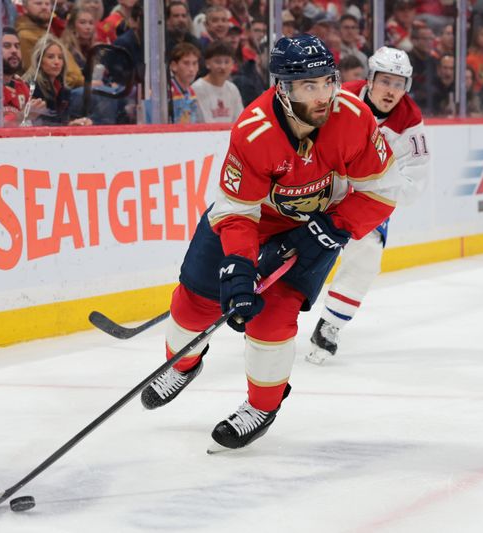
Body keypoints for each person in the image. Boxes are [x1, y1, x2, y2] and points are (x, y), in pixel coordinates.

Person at [139, 34, 399, 450]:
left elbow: (383, 191)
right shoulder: (254, 130)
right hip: (250, 221)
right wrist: (239, 267)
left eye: (328, 81)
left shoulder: (354, 118)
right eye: (308, 86)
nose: (323, 95)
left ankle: (262, 407)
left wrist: (332, 228)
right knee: (193, 303)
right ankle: (182, 364)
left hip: (317, 226)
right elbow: (236, 211)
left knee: (272, 321)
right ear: (283, 88)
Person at [308, 46, 430, 364]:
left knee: (368, 254)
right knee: (295, 243)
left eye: (399, 84)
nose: (391, 91)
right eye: (385, 81)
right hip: (321, 182)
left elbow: (414, 184)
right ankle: (270, 313)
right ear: (371, 79)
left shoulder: (410, 122)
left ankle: (330, 325)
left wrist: (374, 186)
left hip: (367, 195)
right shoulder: (340, 97)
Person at [23, 34, 93, 125]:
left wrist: (76, 123)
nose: (57, 62)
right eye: (50, 57)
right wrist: (69, 126)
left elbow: (63, 120)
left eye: (60, 57)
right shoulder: (31, 86)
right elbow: (38, 123)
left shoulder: (64, 89)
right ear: (39, 60)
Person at [191, 40, 243, 123]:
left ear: (232, 64)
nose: (223, 67)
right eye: (218, 62)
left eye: (227, 62)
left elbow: (239, 120)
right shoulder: (197, 88)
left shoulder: (232, 89)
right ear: (207, 63)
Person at [168, 41, 200, 123]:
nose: (191, 69)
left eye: (194, 63)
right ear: (174, 66)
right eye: (186, 63)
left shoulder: (192, 92)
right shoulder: (167, 92)